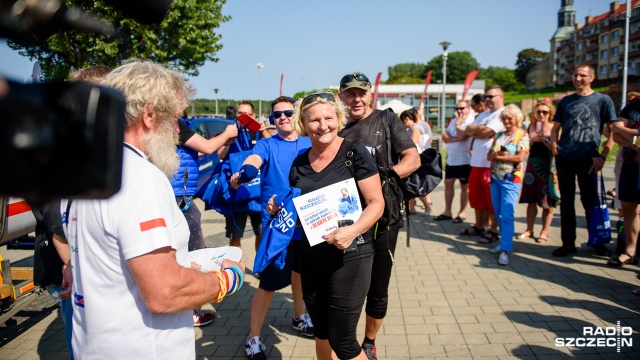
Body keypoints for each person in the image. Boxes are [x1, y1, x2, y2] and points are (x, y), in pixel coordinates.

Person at [59, 60, 245, 359]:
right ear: (148, 115)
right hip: (142, 347)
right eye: (173, 119)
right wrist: (227, 279)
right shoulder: (140, 178)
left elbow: (115, 262)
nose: (176, 131)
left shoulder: (90, 170)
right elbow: (164, 292)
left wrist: (186, 267)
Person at [287, 92, 384, 360]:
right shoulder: (299, 163)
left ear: (338, 119)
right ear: (303, 124)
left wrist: (352, 231)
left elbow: (376, 203)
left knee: (343, 342)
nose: (323, 125)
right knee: (322, 332)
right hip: (311, 258)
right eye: (315, 120)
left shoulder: (355, 152)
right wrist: (280, 208)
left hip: (350, 257)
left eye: (329, 118)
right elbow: (302, 211)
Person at [338, 73, 419, 360]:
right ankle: (341, 338)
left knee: (378, 285)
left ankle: (369, 342)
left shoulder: (386, 119)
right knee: (345, 283)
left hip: (384, 218)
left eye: (361, 93)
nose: (356, 98)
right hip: (347, 219)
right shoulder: (337, 127)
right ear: (341, 96)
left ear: (370, 94)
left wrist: (386, 176)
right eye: (350, 93)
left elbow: (413, 158)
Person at [229, 96, 314, 359]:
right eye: (277, 115)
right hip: (278, 225)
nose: (283, 118)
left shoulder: (309, 141)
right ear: (271, 119)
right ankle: (253, 338)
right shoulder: (267, 144)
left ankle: (300, 317)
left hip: (307, 220)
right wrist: (243, 173)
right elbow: (253, 160)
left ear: (296, 114)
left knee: (300, 272)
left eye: (288, 113)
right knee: (267, 283)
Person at [172, 114, 238, 327]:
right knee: (192, 249)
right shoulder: (173, 123)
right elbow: (208, 148)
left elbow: (195, 149)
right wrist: (227, 133)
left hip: (178, 194)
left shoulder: (171, 124)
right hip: (178, 195)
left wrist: (220, 140)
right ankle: (191, 308)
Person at [548, 64, 617, 257]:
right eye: (575, 75)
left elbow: (613, 131)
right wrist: (555, 147)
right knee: (566, 202)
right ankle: (568, 243)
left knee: (590, 202)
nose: (578, 79)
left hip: (588, 158)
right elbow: (555, 128)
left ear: (592, 78)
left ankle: (596, 242)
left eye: (583, 76)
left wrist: (603, 155)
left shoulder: (603, 100)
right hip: (565, 157)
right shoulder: (566, 101)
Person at [487, 105, 530, 265]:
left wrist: (500, 156)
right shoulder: (499, 135)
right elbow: (489, 155)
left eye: (509, 118)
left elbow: (520, 158)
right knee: (498, 213)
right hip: (496, 178)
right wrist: (498, 155)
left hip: (511, 179)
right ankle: (503, 243)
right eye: (504, 118)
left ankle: (505, 249)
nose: (506, 121)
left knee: (507, 214)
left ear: (517, 119)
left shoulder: (522, 135)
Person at [462, 87, 506, 244]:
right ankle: (479, 226)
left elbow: (485, 132)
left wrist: (477, 131)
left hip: (491, 165)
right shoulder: (483, 114)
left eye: (490, 96)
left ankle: (493, 229)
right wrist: (477, 130)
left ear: (501, 97)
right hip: (476, 163)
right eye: (486, 96)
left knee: (492, 200)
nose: (487, 99)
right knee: (477, 198)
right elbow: (468, 130)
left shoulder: (503, 114)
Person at [218, 101, 264, 250]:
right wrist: (228, 139)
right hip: (235, 191)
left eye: (247, 114)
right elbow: (221, 155)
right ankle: (235, 271)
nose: (243, 117)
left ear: (254, 115)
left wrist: (264, 131)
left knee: (261, 233)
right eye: (240, 113)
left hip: (256, 193)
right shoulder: (231, 130)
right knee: (235, 236)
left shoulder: (259, 131)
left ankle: (260, 270)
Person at [517, 101, 560, 243]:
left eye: (545, 112)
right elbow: (527, 144)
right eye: (539, 112)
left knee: (547, 201)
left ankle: (544, 231)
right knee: (531, 200)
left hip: (547, 166)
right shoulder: (531, 126)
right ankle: (529, 229)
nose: (541, 114)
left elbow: (555, 149)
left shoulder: (554, 127)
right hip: (532, 164)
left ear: (550, 114)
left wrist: (544, 139)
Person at [609, 95, 640, 267]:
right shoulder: (632, 107)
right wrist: (633, 142)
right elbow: (615, 132)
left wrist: (627, 132)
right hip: (630, 164)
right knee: (628, 209)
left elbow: (621, 130)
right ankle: (629, 250)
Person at [436, 100, 476, 223]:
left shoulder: (471, 121)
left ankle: (462, 213)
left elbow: (463, 136)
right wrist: (457, 138)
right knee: (448, 184)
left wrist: (459, 126)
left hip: (465, 160)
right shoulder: (453, 121)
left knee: (465, 187)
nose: (459, 111)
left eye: (462, 108)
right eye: (457, 108)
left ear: (468, 108)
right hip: (451, 160)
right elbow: (445, 137)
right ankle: (447, 211)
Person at [399, 107, 432, 216]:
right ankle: (411, 208)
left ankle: (427, 206)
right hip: (413, 160)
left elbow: (411, 143)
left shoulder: (416, 128)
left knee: (415, 187)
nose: (403, 124)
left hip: (416, 161)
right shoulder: (409, 130)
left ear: (407, 118)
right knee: (410, 186)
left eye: (403, 121)